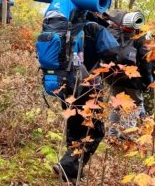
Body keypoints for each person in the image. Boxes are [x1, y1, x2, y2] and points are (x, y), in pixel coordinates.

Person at [52, 10, 119, 183]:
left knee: (74, 127)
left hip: (64, 85)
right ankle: (67, 165)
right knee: (94, 130)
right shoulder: (94, 29)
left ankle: (72, 173)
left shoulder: (61, 27)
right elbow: (112, 51)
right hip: (89, 86)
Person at [103, 10, 155, 139]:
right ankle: (126, 138)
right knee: (135, 106)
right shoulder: (139, 38)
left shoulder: (112, 31)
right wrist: (146, 82)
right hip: (133, 81)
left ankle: (113, 136)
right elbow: (146, 63)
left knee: (117, 105)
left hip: (113, 77)